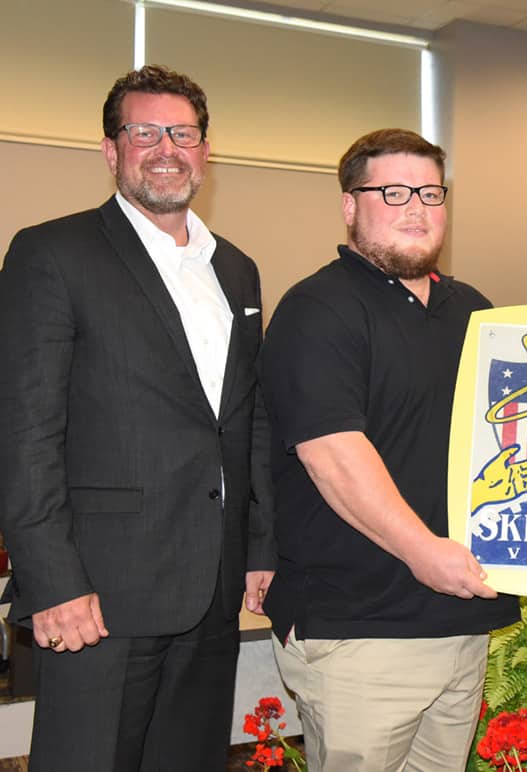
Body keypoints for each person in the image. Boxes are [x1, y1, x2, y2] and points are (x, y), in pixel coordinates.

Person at [0, 65, 275, 771]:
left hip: (213, 587)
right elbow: (24, 433)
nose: (166, 149)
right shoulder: (52, 254)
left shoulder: (236, 269)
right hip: (99, 594)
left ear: (205, 151)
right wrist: (52, 581)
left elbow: (247, 419)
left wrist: (259, 545)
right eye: (144, 132)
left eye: (182, 133)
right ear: (111, 149)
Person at [257, 128, 521, 772]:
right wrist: (422, 550)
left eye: (430, 193)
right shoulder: (319, 308)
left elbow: (519, 425)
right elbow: (332, 454)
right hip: (360, 629)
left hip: (461, 618)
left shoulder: (472, 310)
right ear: (350, 205)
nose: (416, 208)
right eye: (394, 192)